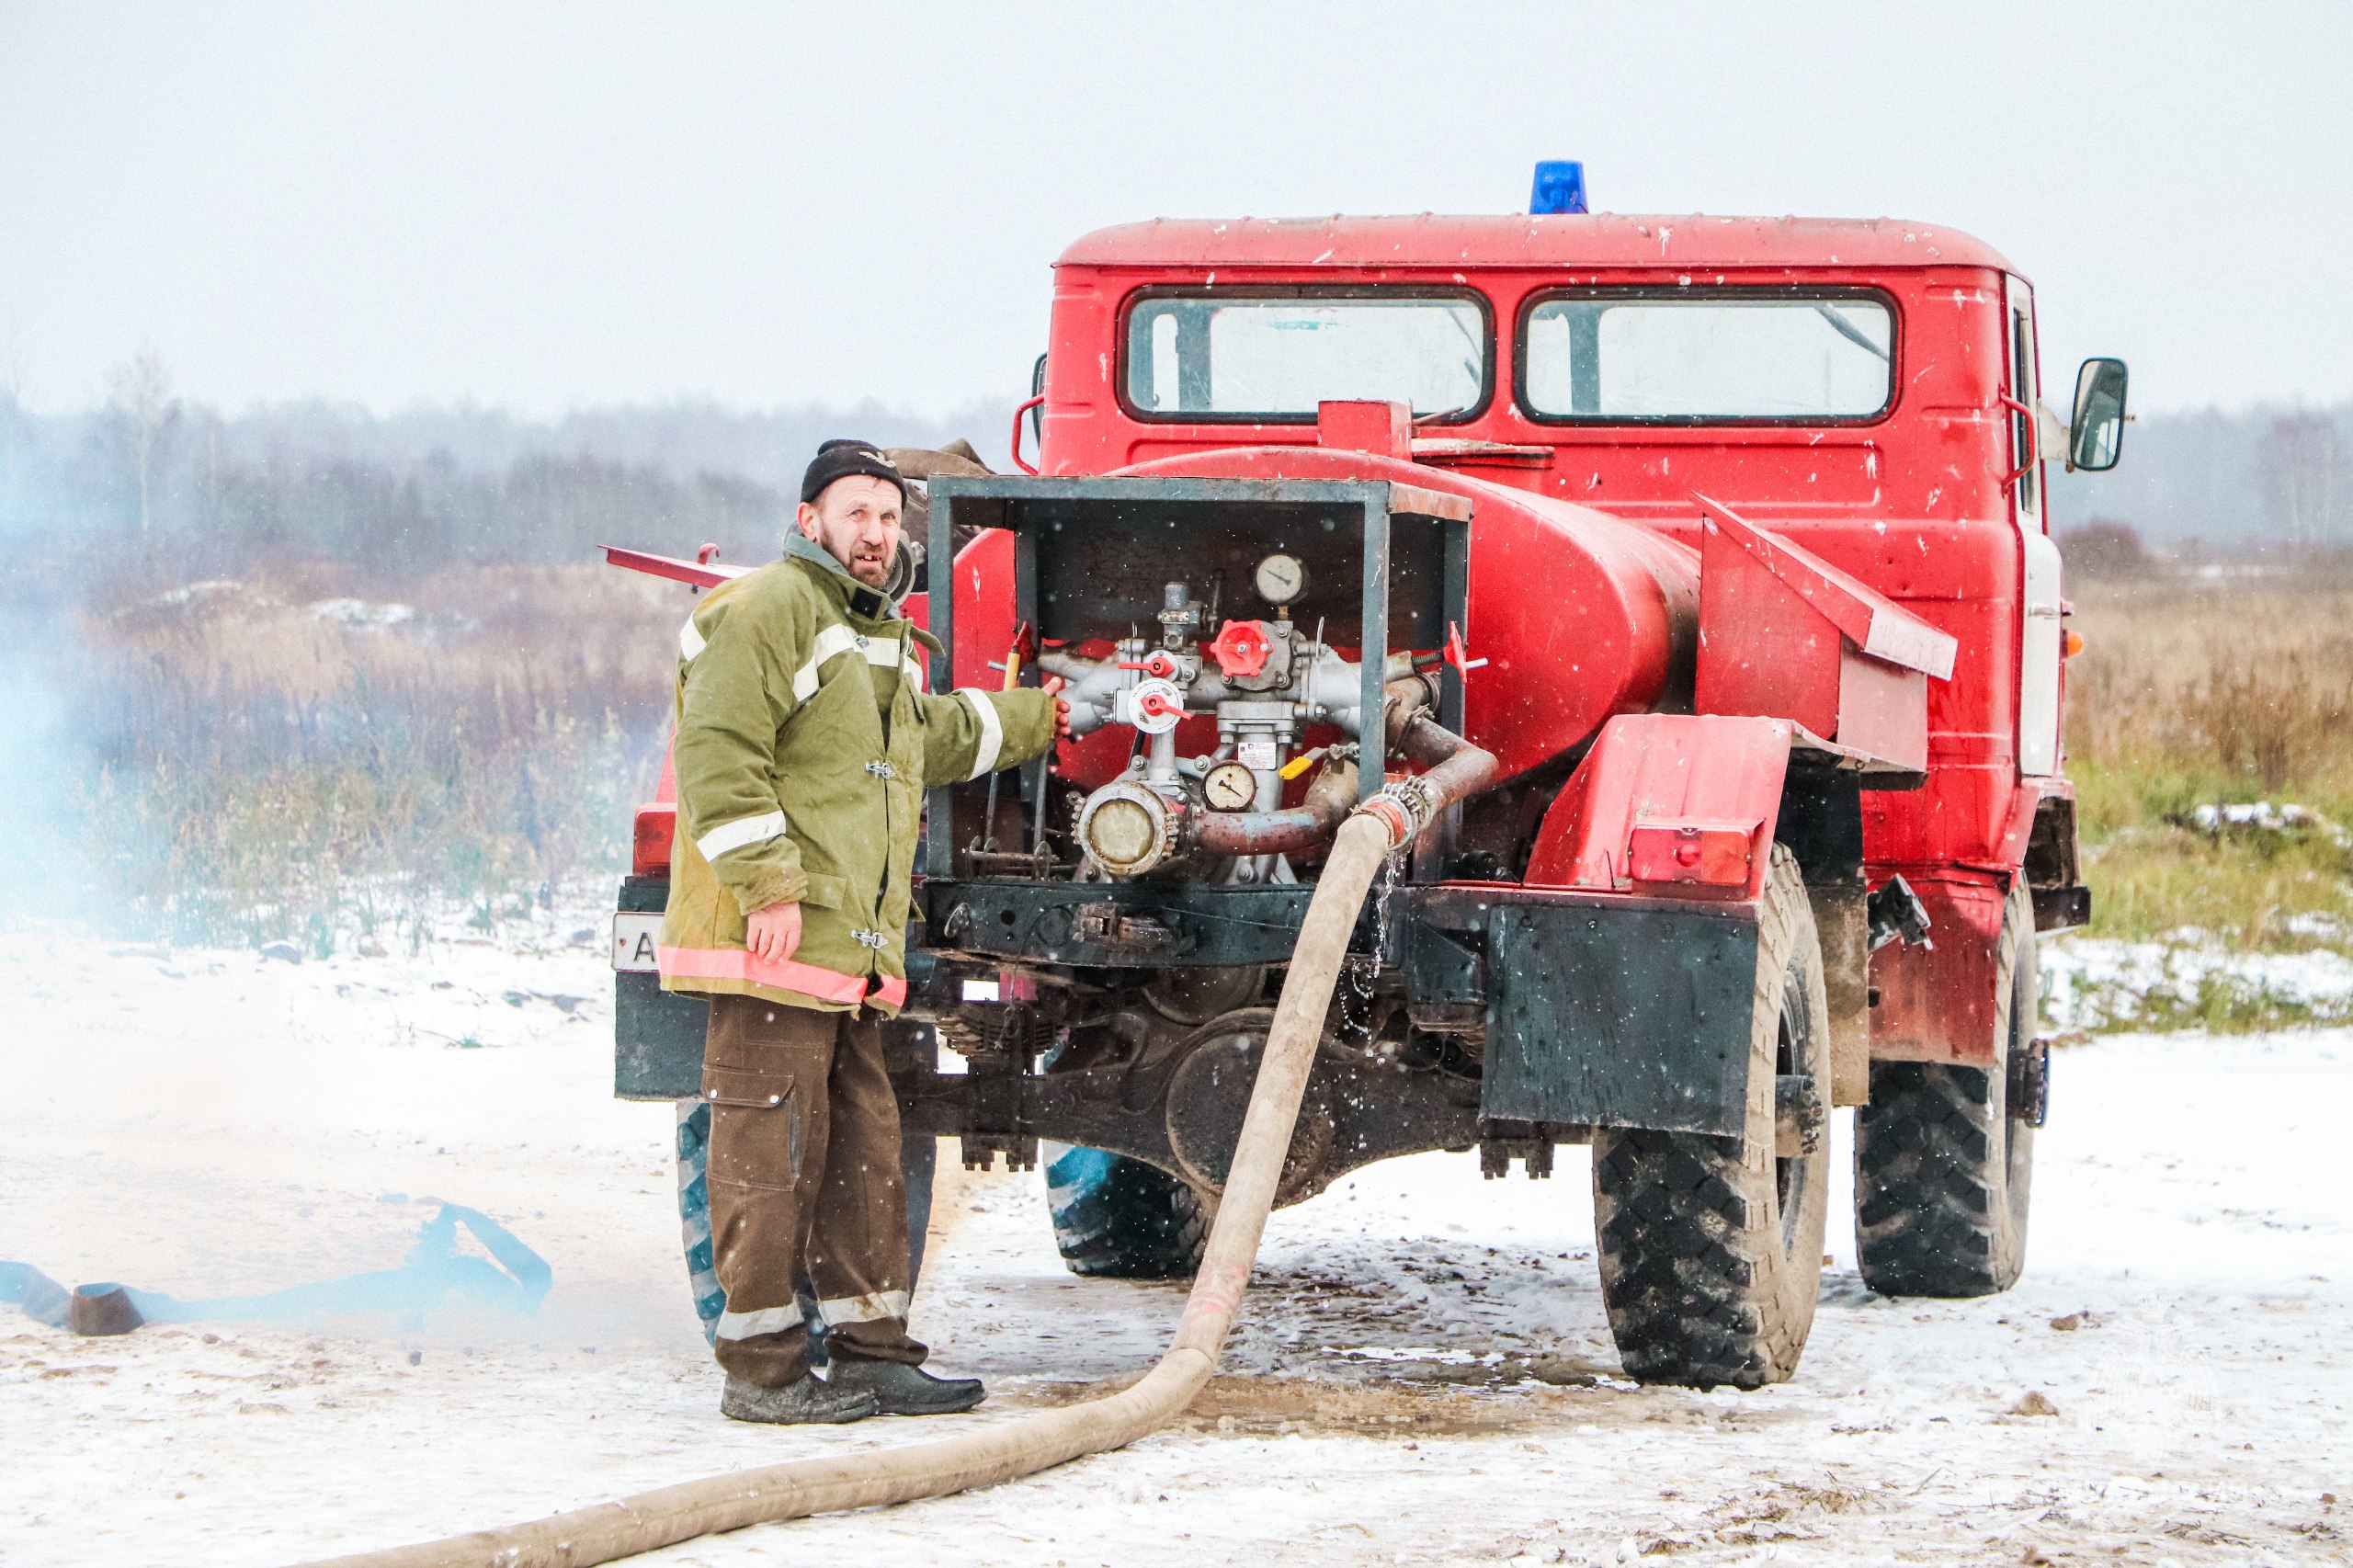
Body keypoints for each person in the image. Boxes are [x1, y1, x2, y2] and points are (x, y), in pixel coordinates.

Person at [659, 439, 1065, 1424]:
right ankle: (763, 1372)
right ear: (811, 522)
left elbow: (928, 737)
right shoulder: (766, 610)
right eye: (856, 515)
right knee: (771, 1146)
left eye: (889, 517)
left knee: (863, 1147)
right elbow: (718, 753)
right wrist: (765, 888)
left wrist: (1040, 716)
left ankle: (874, 1348)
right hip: (773, 947)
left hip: (844, 954)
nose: (876, 535)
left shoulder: (871, 635)